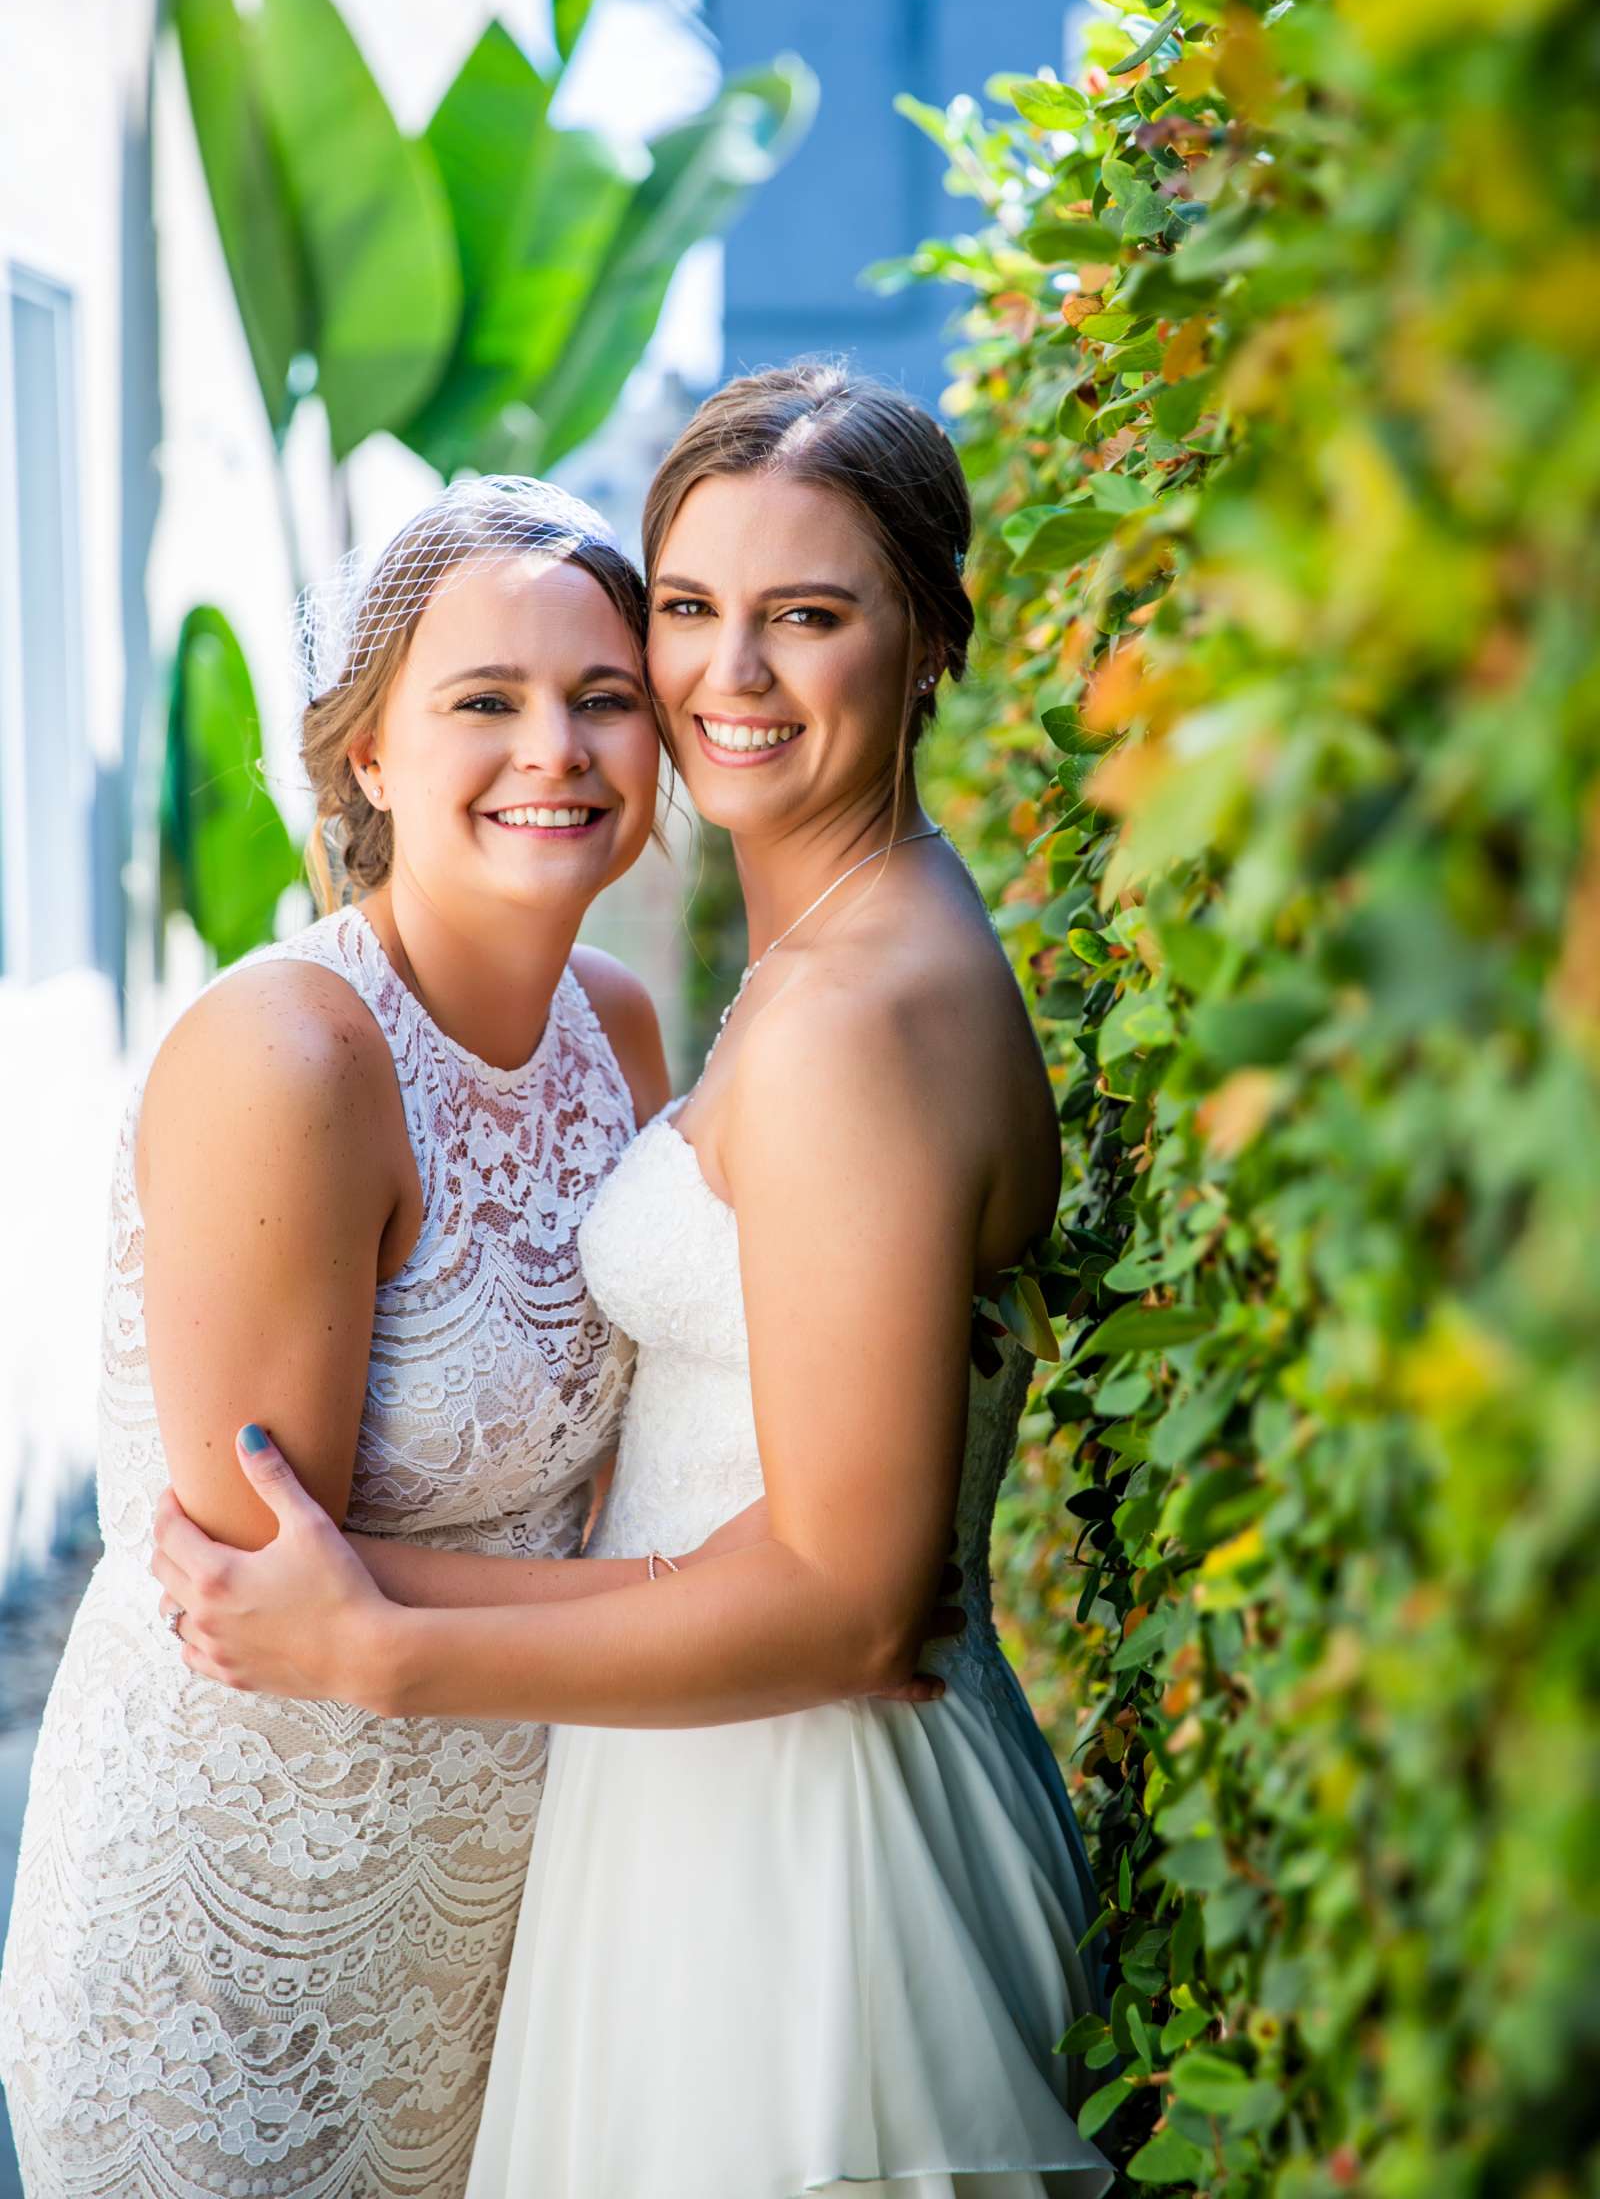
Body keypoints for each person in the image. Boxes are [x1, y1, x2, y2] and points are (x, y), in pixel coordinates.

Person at [151, 367, 1113, 2199]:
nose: (725, 679)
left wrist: (380, 1642)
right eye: (688, 611)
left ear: (925, 644)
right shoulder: (844, 931)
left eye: (807, 617)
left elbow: (848, 1602)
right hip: (691, 1784)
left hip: (801, 1849)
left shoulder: (852, 1015)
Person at [0, 481, 675, 2197]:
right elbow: (264, 1584)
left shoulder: (620, 1028)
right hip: (238, 1924)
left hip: (504, 1909)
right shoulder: (289, 1053)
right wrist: (743, 1605)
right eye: (487, 702)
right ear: (367, 755)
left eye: (605, 698)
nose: (561, 749)